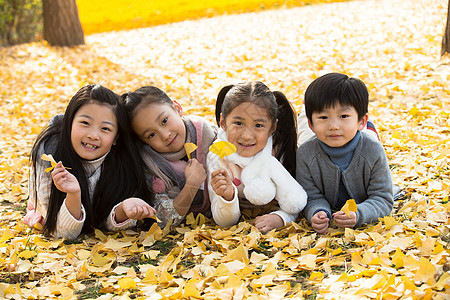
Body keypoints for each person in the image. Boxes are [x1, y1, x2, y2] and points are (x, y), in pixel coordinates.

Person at [24, 84, 156, 240]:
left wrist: (122, 210)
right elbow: (63, 233)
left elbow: (105, 223)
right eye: (85, 123)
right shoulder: (48, 160)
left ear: (116, 138)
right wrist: (73, 195)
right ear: (69, 123)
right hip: (54, 216)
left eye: (105, 129)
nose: (93, 135)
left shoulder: (121, 163)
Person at [296, 73, 394, 235]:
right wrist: (317, 211)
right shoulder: (305, 154)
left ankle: (368, 128)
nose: (334, 126)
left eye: (343, 116)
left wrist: (360, 214)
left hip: (365, 144)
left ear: (361, 120)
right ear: (311, 124)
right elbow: (310, 195)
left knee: (369, 139)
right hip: (312, 142)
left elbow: (382, 198)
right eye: (323, 117)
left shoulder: (373, 151)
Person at [208, 81, 307, 234]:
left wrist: (281, 218)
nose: (247, 136)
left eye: (258, 125)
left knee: (307, 136)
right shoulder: (218, 155)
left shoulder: (277, 151)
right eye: (238, 123)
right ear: (223, 122)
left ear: (272, 127)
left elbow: (294, 201)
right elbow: (223, 221)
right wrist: (227, 197)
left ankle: (305, 112)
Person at [122, 86, 217, 228]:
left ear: (177, 108)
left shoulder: (208, 134)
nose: (165, 135)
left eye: (164, 121)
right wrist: (191, 185)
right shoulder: (151, 166)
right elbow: (163, 220)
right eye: (151, 135)